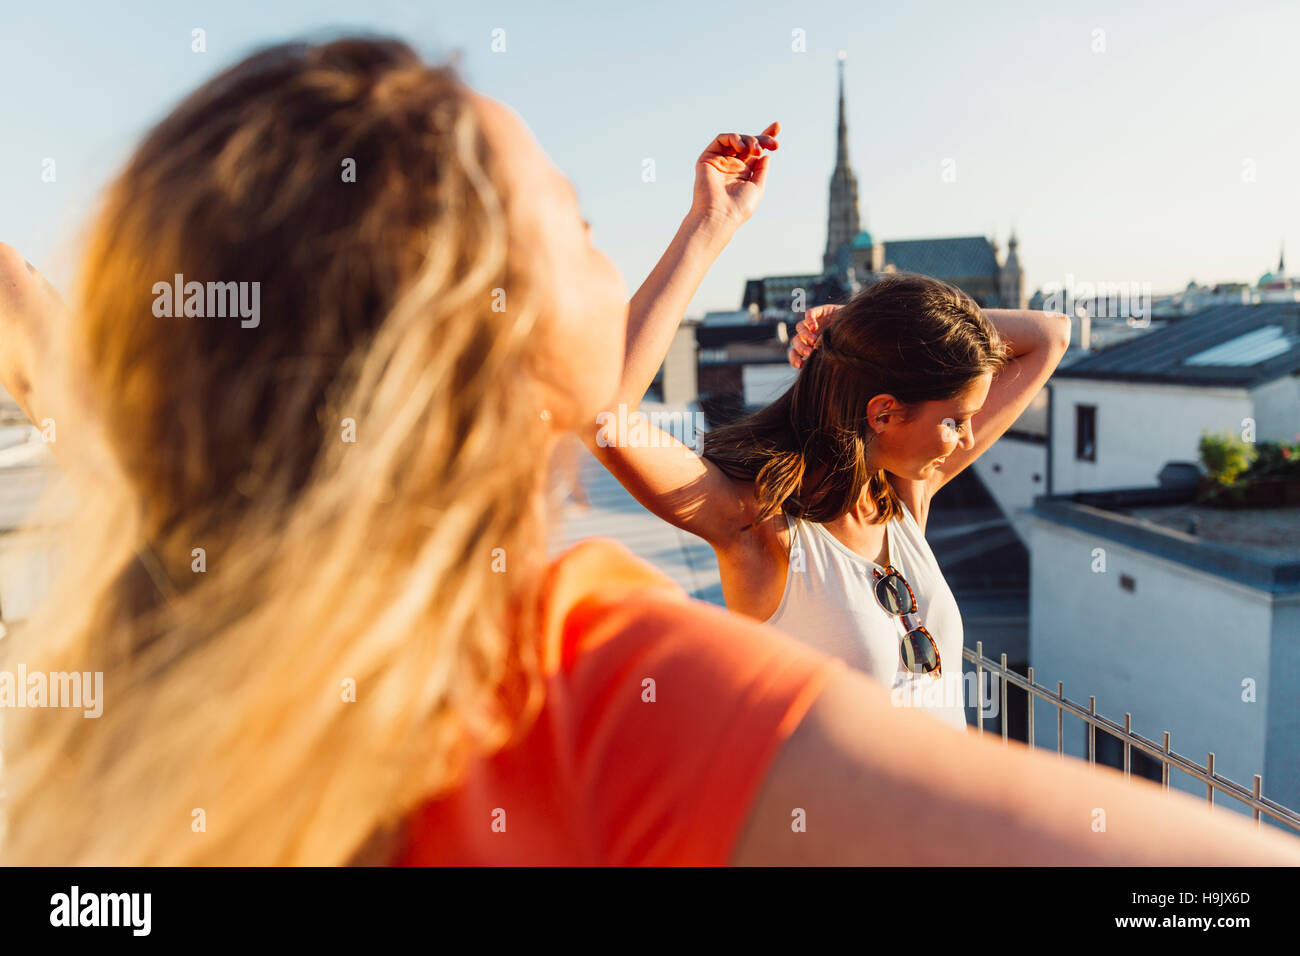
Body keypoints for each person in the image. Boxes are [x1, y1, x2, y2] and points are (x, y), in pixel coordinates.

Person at [1, 36, 1298, 866]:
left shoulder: (175, 646)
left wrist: (717, 236)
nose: (607, 248)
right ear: (504, 350)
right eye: (574, 222)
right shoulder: (568, 678)